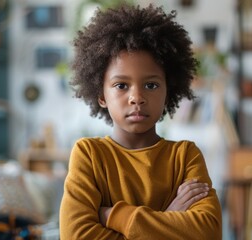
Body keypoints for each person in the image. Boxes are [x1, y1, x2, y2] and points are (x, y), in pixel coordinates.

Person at [59, 3, 222, 240]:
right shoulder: (89, 155)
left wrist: (116, 216)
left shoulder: (185, 156)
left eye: (151, 85)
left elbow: (208, 231)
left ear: (169, 90)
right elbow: (76, 236)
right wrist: (168, 217)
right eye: (121, 85)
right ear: (102, 95)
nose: (137, 97)